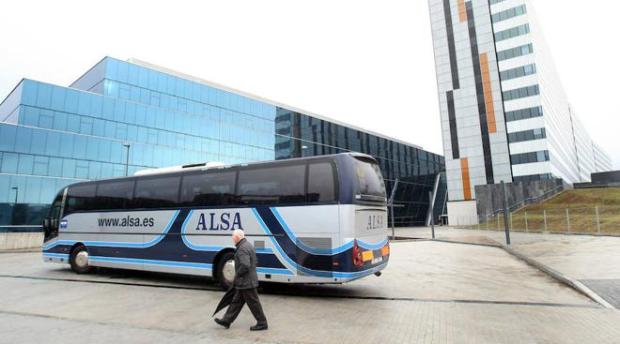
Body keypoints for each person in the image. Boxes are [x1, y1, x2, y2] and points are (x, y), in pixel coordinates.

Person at [214, 229, 268, 331]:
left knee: (253, 303)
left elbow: (245, 265)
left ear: (237, 237)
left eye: (233, 236)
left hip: (246, 281)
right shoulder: (248, 245)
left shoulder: (242, 249)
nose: (232, 238)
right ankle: (227, 320)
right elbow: (255, 261)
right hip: (246, 281)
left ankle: (262, 323)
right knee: (236, 302)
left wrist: (237, 274)